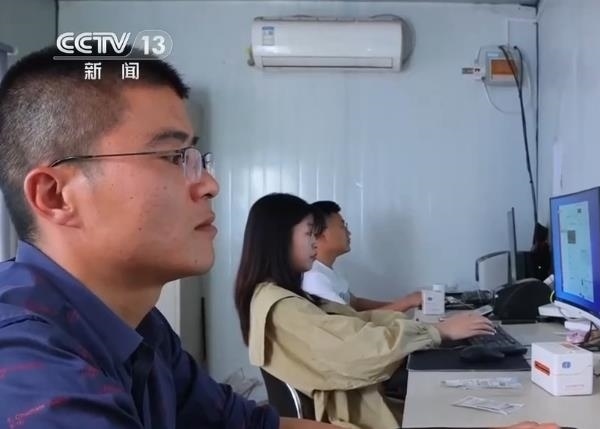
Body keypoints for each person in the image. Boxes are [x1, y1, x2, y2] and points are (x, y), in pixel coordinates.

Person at [0, 46, 557, 429]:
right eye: (172, 157)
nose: (209, 184)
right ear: (55, 195)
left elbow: (249, 426)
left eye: (198, 157)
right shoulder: (29, 375)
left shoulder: (140, 330)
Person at [236, 193, 519, 428]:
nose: (314, 242)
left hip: (358, 404)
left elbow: (354, 320)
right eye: (309, 233)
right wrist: (436, 332)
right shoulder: (282, 307)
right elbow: (357, 349)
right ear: (280, 238)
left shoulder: (277, 295)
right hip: (350, 419)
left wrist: (434, 329)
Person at [301, 200, 421, 312]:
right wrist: (407, 303)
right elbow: (352, 321)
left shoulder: (327, 271)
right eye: (342, 226)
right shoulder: (314, 279)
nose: (349, 233)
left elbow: (355, 303)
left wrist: (403, 303)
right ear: (319, 232)